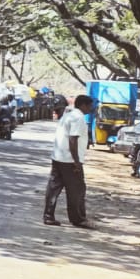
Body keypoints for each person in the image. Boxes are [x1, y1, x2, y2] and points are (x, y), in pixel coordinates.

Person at [44, 94, 95, 227]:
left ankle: (48, 216)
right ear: (83, 105)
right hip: (69, 160)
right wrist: (76, 161)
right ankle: (78, 219)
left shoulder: (68, 115)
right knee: (77, 190)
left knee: (53, 188)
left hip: (58, 157)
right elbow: (73, 140)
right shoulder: (78, 118)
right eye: (90, 106)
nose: (91, 108)